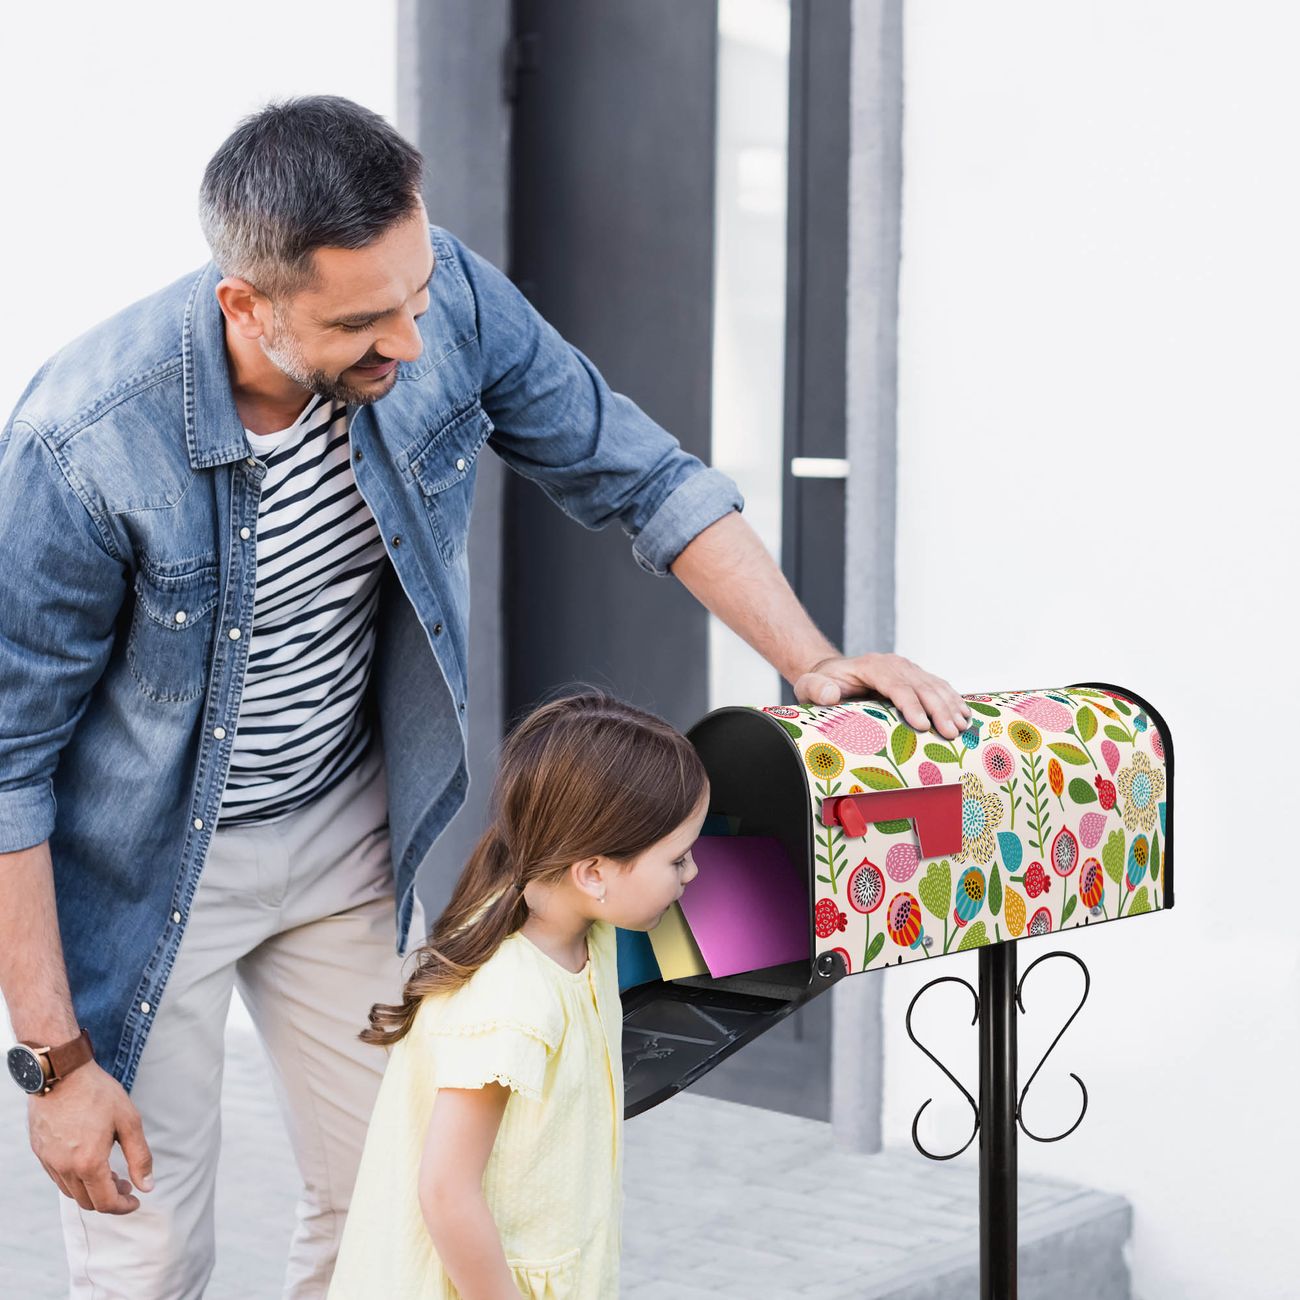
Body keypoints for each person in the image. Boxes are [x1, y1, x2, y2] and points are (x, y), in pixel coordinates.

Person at [0, 95, 970, 1298]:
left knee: (386, 1217)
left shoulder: (443, 295)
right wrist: (54, 1063)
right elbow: (9, 765)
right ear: (245, 305)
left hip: (345, 835)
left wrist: (811, 660)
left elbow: (641, 474)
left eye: (412, 295)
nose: (408, 343)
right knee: (147, 1256)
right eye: (361, 322)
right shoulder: (82, 442)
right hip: (148, 875)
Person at [328, 691, 707, 1299]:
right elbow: (446, 1192)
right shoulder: (512, 1002)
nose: (693, 874)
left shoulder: (582, 926)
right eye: (679, 860)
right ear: (593, 873)